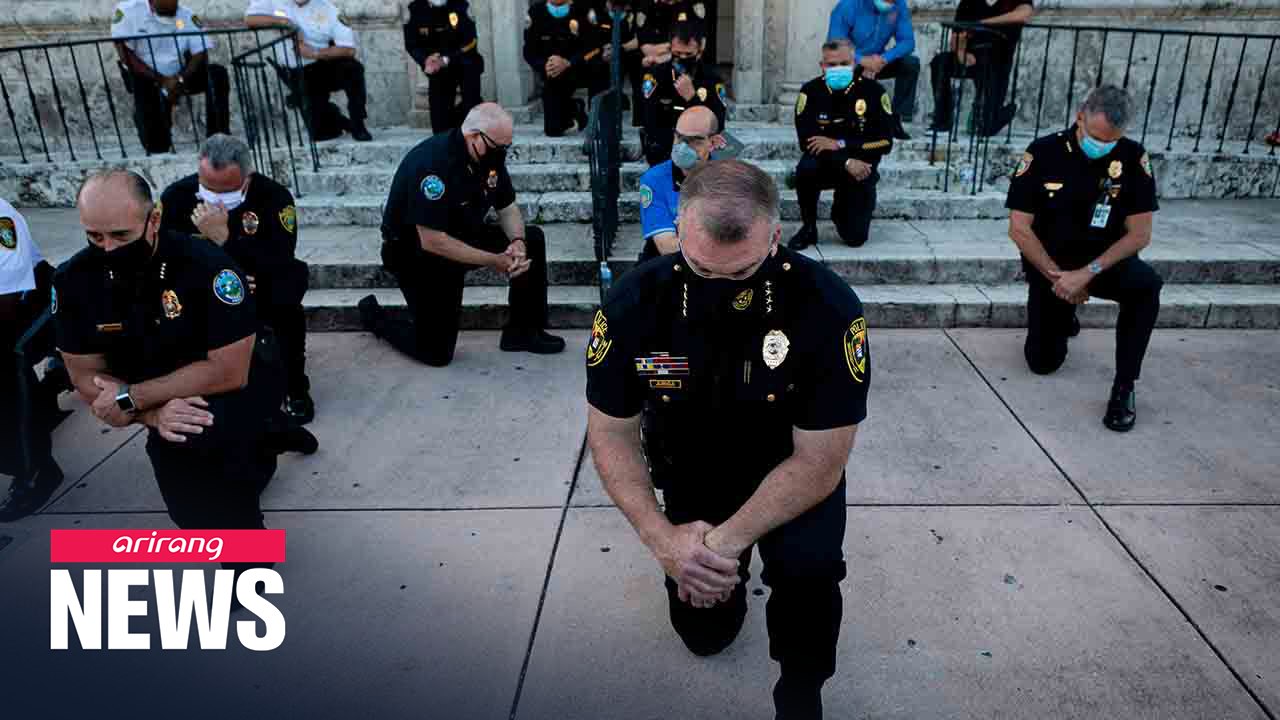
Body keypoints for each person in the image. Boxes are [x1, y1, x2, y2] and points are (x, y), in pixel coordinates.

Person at [586, 160, 869, 720]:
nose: (714, 287)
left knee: (808, 573)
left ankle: (801, 686)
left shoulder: (827, 307)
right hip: (692, 472)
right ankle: (718, 604)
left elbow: (821, 461)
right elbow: (611, 434)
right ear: (680, 229)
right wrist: (665, 541)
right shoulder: (634, 302)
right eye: (698, 267)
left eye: (738, 274)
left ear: (774, 238)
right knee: (703, 634)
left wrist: (720, 547)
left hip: (790, 472)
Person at [53, 170, 279, 537]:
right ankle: (268, 441)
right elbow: (84, 375)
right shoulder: (73, 281)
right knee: (190, 516)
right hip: (158, 398)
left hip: (236, 383)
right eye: (94, 236)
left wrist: (131, 397)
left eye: (121, 235)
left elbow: (229, 371)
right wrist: (153, 415)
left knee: (224, 480)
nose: (107, 248)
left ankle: (249, 567)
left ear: (153, 219)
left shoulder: (207, 265)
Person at [359, 103, 566, 365]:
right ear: (473, 136)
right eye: (498, 146)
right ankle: (375, 317)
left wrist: (517, 242)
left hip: (460, 233)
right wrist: (494, 261)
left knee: (532, 238)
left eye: (507, 146)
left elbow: (507, 207)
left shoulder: (488, 157)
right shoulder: (433, 164)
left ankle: (523, 331)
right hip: (417, 254)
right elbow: (433, 241)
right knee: (435, 352)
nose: (502, 152)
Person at [1006, 85, 1161, 432]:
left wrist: (1087, 274)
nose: (1101, 146)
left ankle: (1125, 386)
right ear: (1080, 117)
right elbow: (1019, 228)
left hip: (1104, 263)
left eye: (1111, 140)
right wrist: (1060, 278)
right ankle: (1064, 314)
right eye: (1095, 137)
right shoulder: (1043, 152)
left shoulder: (1133, 159)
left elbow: (1140, 234)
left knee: (1147, 286)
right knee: (1043, 362)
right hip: (1052, 266)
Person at [159, 135, 319, 435]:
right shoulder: (176, 199)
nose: (216, 199)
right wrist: (214, 280)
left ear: (248, 176)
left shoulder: (274, 197)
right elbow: (165, 259)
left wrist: (226, 239)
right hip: (203, 292)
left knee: (288, 289)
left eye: (227, 191)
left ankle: (294, 385)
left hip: (262, 286)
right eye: (208, 189)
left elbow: (279, 258)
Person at [789, 40, 894, 251]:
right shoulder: (810, 92)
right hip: (827, 164)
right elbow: (807, 143)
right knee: (806, 168)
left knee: (855, 238)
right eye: (831, 64)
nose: (838, 69)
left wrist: (839, 144)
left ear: (854, 63)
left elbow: (885, 142)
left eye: (844, 63)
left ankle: (842, 207)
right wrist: (846, 160)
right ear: (822, 66)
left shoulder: (873, 92)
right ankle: (809, 228)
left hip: (860, 170)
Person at [0, 198, 66, 520]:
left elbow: (6, 300)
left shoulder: (2, 218)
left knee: (7, 359)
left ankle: (36, 470)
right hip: (11, 309)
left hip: (36, 302)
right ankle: (50, 392)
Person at [111, 0, 231, 154]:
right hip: (144, 76)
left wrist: (180, 79)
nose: (174, 4)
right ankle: (149, 123)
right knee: (157, 146)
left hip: (178, 74)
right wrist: (162, 80)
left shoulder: (185, 14)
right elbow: (124, 53)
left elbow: (200, 51)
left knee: (217, 74)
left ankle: (217, 141)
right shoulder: (129, 10)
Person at [245, 0, 373, 142]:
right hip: (297, 73)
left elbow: (349, 49)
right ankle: (338, 118)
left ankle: (358, 122)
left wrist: (314, 53)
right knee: (322, 134)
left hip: (321, 64)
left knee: (353, 69)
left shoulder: (328, 9)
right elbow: (250, 19)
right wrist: (286, 23)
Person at [929, 0, 1031, 136]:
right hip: (972, 57)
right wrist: (961, 52)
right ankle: (942, 119)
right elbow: (956, 35)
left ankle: (1006, 109)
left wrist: (983, 23)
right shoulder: (968, 3)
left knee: (987, 129)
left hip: (997, 63)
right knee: (940, 62)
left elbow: (1023, 14)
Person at [637, 105, 724, 262]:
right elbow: (668, 247)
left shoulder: (728, 178)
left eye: (694, 141)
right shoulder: (654, 179)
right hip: (668, 267)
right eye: (679, 137)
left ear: (713, 143)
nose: (682, 147)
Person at [636, 19, 726, 166]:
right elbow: (649, 120)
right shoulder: (656, 76)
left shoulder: (712, 79)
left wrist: (693, 99)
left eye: (688, 54)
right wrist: (677, 149)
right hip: (665, 151)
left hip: (700, 151)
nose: (683, 59)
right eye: (678, 53)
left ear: (699, 50)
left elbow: (719, 123)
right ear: (670, 48)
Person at [827, 0, 917, 140]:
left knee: (910, 64)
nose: (890, 3)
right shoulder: (848, 6)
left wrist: (883, 59)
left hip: (878, 61)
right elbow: (834, 44)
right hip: (851, 61)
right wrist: (862, 61)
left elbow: (908, 42)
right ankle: (843, 119)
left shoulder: (898, 5)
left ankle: (894, 120)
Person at [524, 0, 610, 137]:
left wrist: (569, 62)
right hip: (554, 71)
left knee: (600, 70)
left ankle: (598, 121)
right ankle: (575, 108)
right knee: (553, 130)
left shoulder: (583, 9)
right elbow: (529, 51)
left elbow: (594, 47)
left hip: (580, 67)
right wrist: (545, 65)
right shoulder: (536, 12)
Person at [404, 0, 485, 134]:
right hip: (437, 67)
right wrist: (425, 60)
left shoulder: (461, 5)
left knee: (471, 107)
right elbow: (412, 43)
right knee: (439, 118)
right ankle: (444, 139)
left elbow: (471, 42)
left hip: (464, 63)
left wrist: (446, 59)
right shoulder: (416, 8)